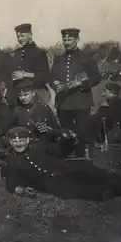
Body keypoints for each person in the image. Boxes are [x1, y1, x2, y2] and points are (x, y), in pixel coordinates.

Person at [2, 126, 121, 202]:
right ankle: (115, 191)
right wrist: (18, 188)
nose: (18, 144)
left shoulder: (38, 146)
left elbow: (59, 150)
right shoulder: (12, 161)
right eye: (14, 141)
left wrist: (68, 140)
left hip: (63, 168)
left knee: (87, 168)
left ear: (28, 140)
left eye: (21, 140)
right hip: (50, 182)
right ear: (10, 143)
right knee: (78, 190)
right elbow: (11, 181)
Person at [50, 28, 101, 159]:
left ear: (77, 40)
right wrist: (56, 84)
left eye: (70, 39)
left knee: (83, 133)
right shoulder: (58, 59)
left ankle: (84, 163)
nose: (66, 42)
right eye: (64, 39)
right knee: (66, 133)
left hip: (81, 102)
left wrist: (80, 84)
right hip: (63, 102)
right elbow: (51, 78)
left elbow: (96, 77)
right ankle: (67, 164)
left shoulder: (86, 58)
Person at [10, 78, 61, 144]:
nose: (22, 98)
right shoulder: (17, 110)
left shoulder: (43, 108)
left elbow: (57, 131)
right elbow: (10, 129)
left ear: (33, 93)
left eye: (25, 94)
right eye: (20, 95)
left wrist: (47, 129)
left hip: (41, 145)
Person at [11, 23, 51, 105]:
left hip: (37, 94)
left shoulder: (39, 53)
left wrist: (24, 74)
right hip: (21, 95)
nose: (20, 39)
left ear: (30, 35)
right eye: (18, 36)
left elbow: (45, 76)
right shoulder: (17, 53)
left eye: (22, 36)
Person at [92, 83, 121, 148]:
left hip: (117, 130)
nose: (103, 93)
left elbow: (111, 117)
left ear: (111, 92)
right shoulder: (118, 101)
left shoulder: (113, 102)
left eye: (105, 91)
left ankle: (98, 141)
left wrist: (99, 111)